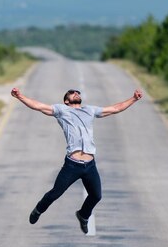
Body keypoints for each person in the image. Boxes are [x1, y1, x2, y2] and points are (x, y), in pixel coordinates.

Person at [10, 86, 143, 234]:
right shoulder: (61, 110)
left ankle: (83, 215)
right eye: (72, 93)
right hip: (72, 165)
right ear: (66, 100)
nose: (76, 94)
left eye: (78, 93)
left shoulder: (90, 110)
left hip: (90, 165)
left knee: (96, 196)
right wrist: (19, 96)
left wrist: (134, 99)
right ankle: (38, 209)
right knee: (55, 193)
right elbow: (38, 106)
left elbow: (115, 109)